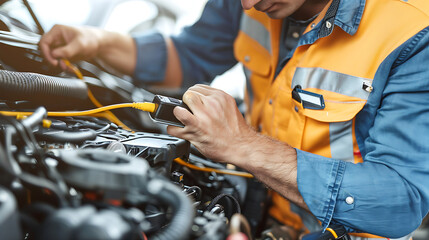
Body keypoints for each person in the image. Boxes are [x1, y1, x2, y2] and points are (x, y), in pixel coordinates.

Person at [39, 0, 429, 239]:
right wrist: (97, 42)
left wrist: (242, 145)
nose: (248, 5)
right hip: (255, 211)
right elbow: (190, 55)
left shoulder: (412, 32)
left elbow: (402, 200)